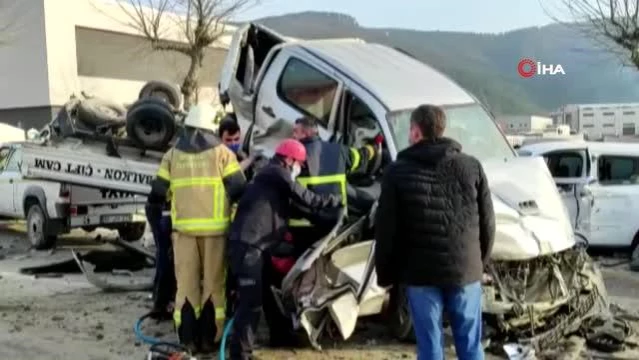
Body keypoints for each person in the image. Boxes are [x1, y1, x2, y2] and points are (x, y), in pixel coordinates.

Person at [374, 104, 495, 360]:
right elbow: (488, 223)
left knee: (429, 347)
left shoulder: (397, 171)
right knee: (470, 344)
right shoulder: (471, 166)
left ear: (416, 132)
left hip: (420, 274)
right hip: (464, 269)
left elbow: (386, 229)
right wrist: (478, 264)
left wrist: (385, 276)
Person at [228, 138, 342, 360]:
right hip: (248, 247)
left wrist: (323, 218)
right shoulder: (277, 173)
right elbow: (304, 197)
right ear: (289, 160)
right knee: (250, 303)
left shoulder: (270, 178)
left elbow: (297, 207)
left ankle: (279, 335)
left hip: (255, 247)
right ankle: (239, 354)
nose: (299, 168)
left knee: (269, 293)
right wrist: (334, 201)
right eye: (299, 163)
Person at [149, 103, 247, 353]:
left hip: (183, 233)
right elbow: (239, 191)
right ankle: (210, 339)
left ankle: (187, 340)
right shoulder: (223, 154)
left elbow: (158, 193)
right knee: (214, 286)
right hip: (216, 233)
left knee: (186, 286)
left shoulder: (172, 155)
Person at [289, 116, 379, 248]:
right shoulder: (340, 150)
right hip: (335, 222)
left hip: (303, 226)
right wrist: (374, 148)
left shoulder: (294, 157)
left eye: (296, 131)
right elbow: (360, 157)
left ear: (306, 133)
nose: (292, 135)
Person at [145, 192, 175, 321]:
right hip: (164, 210)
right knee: (166, 257)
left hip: (158, 208)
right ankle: (162, 303)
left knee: (163, 255)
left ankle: (160, 302)